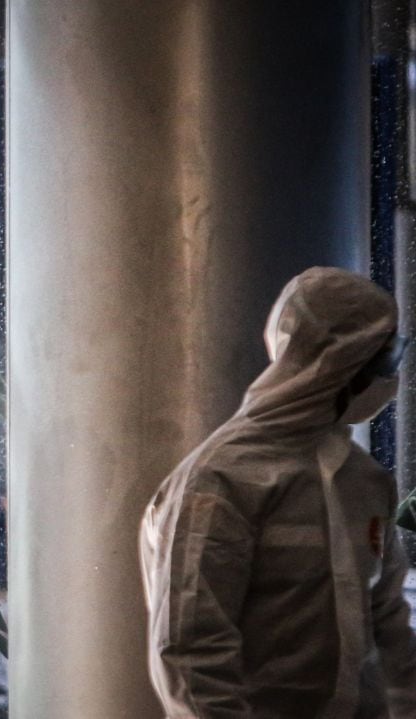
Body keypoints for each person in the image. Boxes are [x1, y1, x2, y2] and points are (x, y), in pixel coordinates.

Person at [140, 267, 416, 718]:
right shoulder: (220, 480)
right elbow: (190, 654)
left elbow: (388, 625)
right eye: (381, 361)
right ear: (336, 362)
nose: (389, 378)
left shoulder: (363, 481)